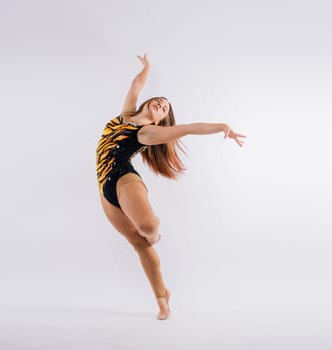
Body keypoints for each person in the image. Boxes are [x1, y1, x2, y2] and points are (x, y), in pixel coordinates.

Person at [96, 54, 246, 320]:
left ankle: (155, 230)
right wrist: (147, 68)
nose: (161, 103)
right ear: (147, 103)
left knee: (147, 230)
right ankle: (163, 299)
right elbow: (136, 86)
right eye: (160, 101)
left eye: (165, 108)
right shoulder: (125, 115)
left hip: (123, 178)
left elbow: (188, 128)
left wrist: (222, 126)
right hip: (104, 189)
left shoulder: (147, 133)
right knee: (138, 244)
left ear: (160, 122)